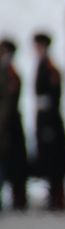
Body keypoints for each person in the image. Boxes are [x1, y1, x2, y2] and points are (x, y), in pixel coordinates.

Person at [32, 33, 65, 210]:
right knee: (47, 159)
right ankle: (52, 192)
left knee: (55, 159)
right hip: (44, 117)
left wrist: (48, 122)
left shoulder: (50, 67)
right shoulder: (42, 65)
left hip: (51, 119)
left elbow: (54, 94)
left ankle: (58, 196)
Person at [0, 39, 28, 210]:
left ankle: (18, 196)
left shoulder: (10, 74)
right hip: (6, 125)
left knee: (11, 162)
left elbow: (7, 103)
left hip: (8, 126)